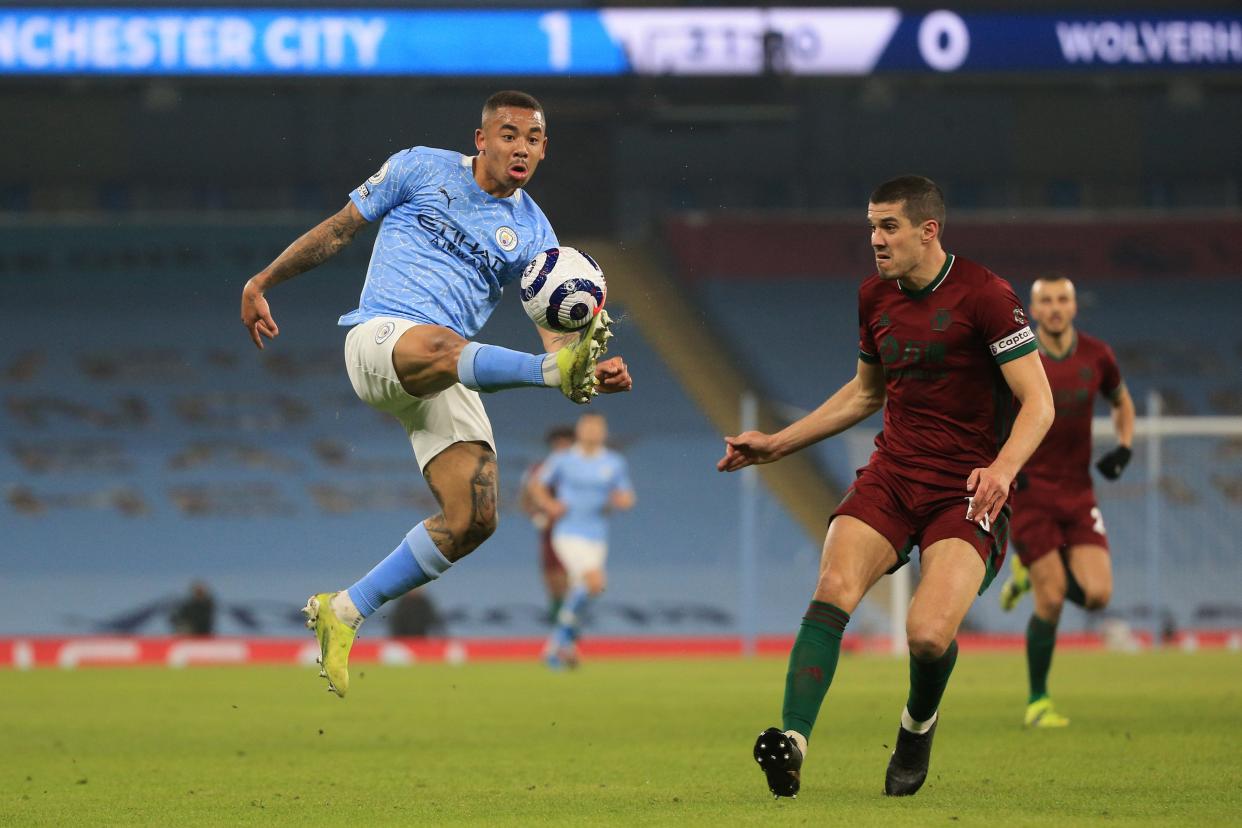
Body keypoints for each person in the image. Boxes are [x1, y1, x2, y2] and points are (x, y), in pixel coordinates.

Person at [239, 90, 633, 697]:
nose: (519, 147)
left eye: (532, 138)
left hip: (444, 369)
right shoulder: (420, 166)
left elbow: (557, 343)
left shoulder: (534, 232)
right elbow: (340, 231)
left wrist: (589, 370)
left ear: (544, 149)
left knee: (474, 518)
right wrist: (264, 279)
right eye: (508, 134)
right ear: (481, 140)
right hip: (380, 339)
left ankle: (344, 610)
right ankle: (542, 379)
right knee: (450, 347)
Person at [718, 175, 1054, 799]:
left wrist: (1002, 471)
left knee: (927, 635)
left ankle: (917, 726)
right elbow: (866, 394)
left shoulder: (986, 295)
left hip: (966, 491)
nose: (874, 239)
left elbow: (1039, 402)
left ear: (929, 230)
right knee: (833, 589)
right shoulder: (874, 296)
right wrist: (776, 443)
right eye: (871, 226)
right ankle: (792, 743)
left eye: (887, 226)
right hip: (893, 476)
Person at [997, 275, 1134, 727]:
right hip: (1032, 492)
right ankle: (1038, 701)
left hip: (1078, 493)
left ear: (1074, 307)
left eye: (1062, 300)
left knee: (1097, 595)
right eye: (1046, 301)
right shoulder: (1019, 358)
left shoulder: (1097, 355)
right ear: (1033, 311)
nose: (1055, 308)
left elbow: (1121, 401)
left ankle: (1024, 574)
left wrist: (1125, 445)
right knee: (1052, 597)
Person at [530, 412, 635, 668]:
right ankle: (557, 645)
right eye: (587, 427)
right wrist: (549, 504)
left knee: (586, 590)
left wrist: (621, 500)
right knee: (595, 581)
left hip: (597, 535)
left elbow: (626, 495)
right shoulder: (563, 460)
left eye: (597, 427)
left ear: (604, 432)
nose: (592, 432)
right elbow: (536, 484)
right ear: (579, 430)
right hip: (567, 532)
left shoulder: (614, 462)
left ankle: (561, 647)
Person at [519, 425, 576, 624]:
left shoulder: (581, 467)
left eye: (566, 443)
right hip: (550, 531)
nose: (562, 447)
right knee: (551, 575)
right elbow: (526, 498)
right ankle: (559, 614)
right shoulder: (539, 469)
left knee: (570, 575)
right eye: (558, 443)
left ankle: (569, 616)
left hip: (575, 530)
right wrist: (537, 514)